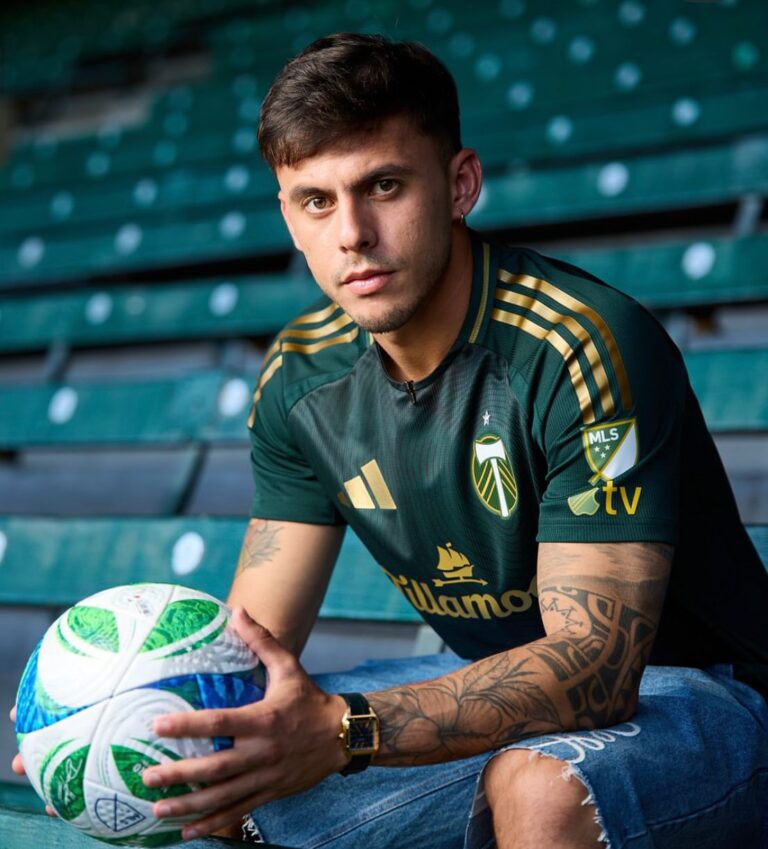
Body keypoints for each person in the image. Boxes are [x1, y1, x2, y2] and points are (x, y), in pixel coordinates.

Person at [13, 32, 768, 848]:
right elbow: (253, 647)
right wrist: (112, 733)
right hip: (478, 681)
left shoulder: (580, 344)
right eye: (316, 201)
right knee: (229, 771)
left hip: (701, 695)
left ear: (459, 184)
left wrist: (349, 728)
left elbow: (598, 667)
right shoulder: (302, 376)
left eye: (383, 185)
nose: (353, 234)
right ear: (288, 216)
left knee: (545, 790)